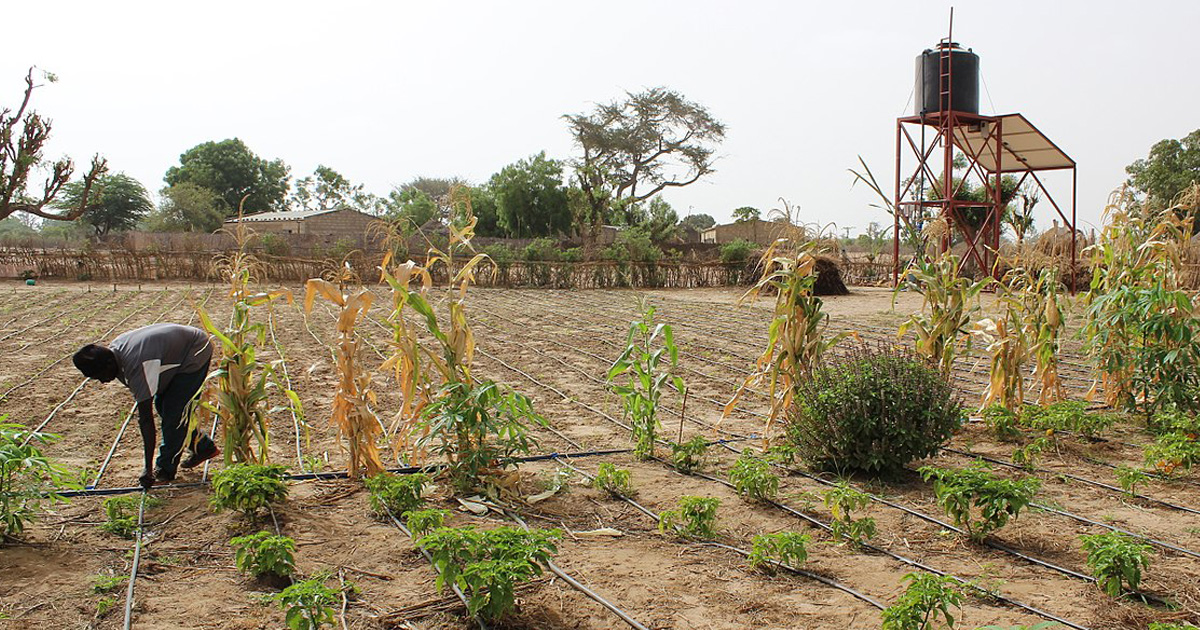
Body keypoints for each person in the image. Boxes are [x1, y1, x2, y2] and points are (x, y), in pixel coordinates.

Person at [73, 323, 220, 488]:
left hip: (194, 351)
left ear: (109, 365)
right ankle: (203, 447)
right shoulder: (116, 354)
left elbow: (146, 420)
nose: (101, 381)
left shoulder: (137, 364)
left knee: (175, 413)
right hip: (174, 350)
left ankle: (165, 469)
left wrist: (148, 469)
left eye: (100, 375)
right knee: (164, 406)